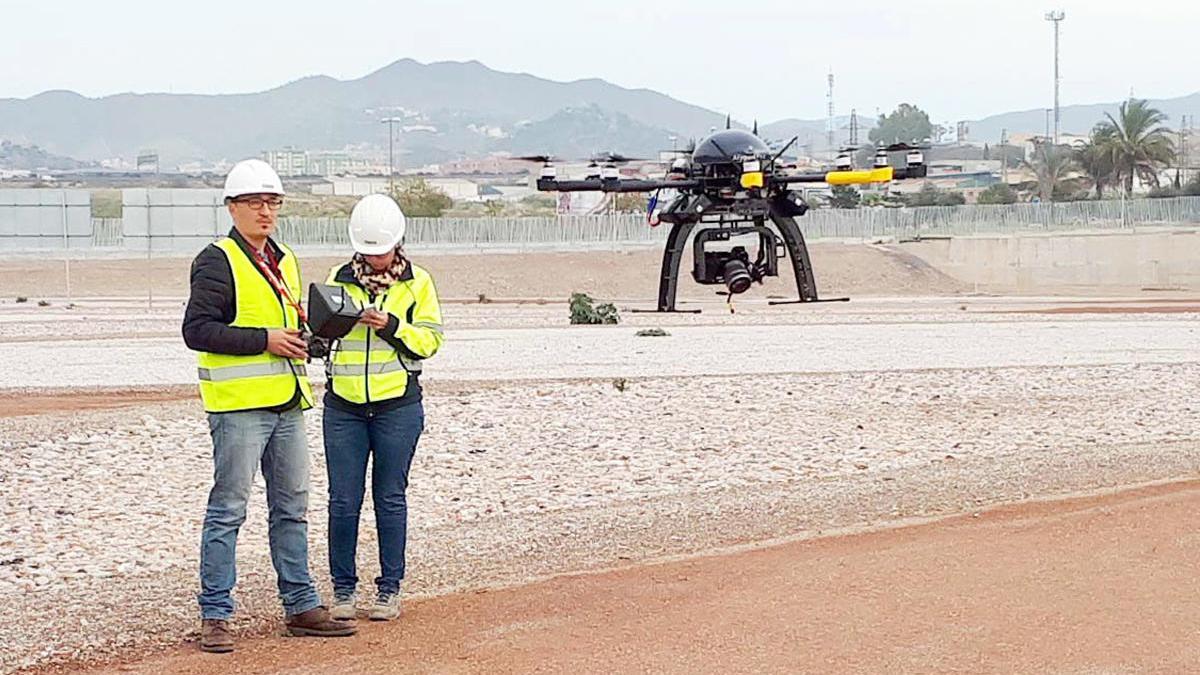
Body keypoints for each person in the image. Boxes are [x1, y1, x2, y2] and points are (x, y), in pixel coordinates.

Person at [182, 158, 356, 653]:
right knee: (228, 510)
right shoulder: (217, 260)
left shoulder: (285, 259)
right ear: (232, 207)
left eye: (272, 202)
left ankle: (300, 605)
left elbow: (284, 324)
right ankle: (215, 614)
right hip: (238, 407)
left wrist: (303, 341)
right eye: (255, 202)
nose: (266, 211)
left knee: (292, 509)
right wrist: (266, 340)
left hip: (287, 403)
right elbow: (197, 330)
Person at [322, 193, 443, 622]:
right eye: (368, 252)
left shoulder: (418, 283)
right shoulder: (337, 278)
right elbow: (319, 337)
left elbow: (430, 341)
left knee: (390, 497)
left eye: (382, 251)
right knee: (343, 500)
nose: (375, 260)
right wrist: (326, 327)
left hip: (397, 406)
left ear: (397, 244)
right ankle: (342, 591)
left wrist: (390, 325)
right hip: (344, 406)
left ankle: (389, 589)